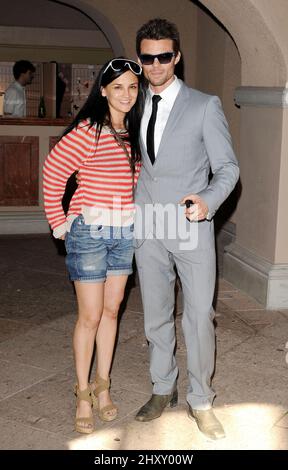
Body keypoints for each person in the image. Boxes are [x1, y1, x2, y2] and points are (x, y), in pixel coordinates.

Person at [133, 18, 240, 440]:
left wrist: (208, 201)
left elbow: (228, 168)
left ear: (176, 57)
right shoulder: (134, 101)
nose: (156, 64)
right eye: (148, 57)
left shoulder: (204, 105)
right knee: (156, 315)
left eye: (164, 56)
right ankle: (164, 387)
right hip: (149, 224)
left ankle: (201, 399)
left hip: (190, 223)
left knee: (198, 316)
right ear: (140, 59)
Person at [43, 58, 143, 434]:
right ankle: (83, 393)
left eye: (133, 87)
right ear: (102, 90)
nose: (126, 94)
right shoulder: (90, 131)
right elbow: (53, 172)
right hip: (89, 233)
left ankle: (103, 387)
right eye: (117, 87)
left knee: (112, 311)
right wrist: (59, 223)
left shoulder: (135, 134)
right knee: (90, 315)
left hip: (124, 234)